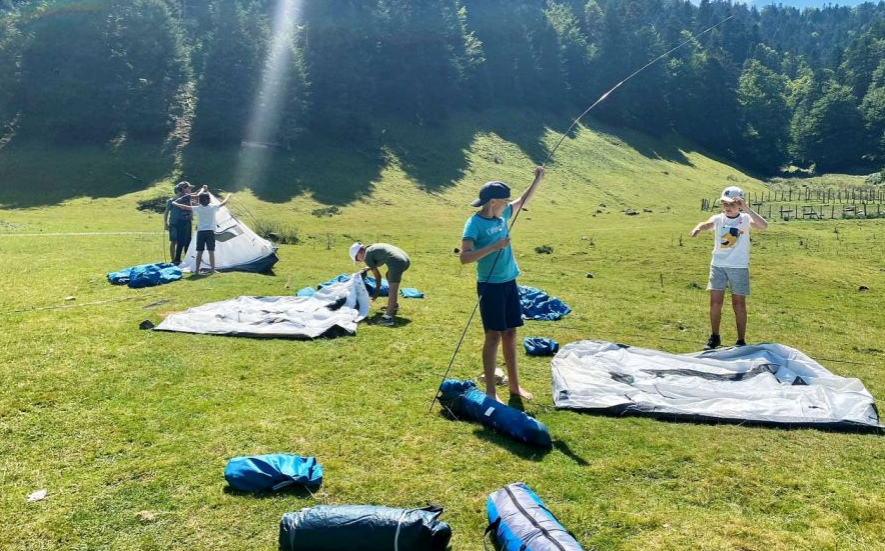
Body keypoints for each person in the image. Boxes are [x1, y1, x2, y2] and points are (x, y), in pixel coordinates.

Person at [459, 166, 545, 402]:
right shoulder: (474, 224)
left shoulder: (503, 214)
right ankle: (490, 391)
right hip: (490, 286)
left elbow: (524, 199)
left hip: (509, 282)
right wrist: (493, 247)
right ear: (493, 202)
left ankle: (515, 387)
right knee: (493, 337)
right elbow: (464, 258)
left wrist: (537, 178)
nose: (509, 204)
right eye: (505, 201)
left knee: (510, 334)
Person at [690, 186, 768, 349]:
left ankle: (741, 341)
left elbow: (763, 225)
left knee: (738, 304)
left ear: (740, 204)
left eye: (732, 204)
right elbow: (706, 224)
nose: (727, 207)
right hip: (718, 265)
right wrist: (698, 228)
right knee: (715, 303)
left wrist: (746, 208)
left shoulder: (745, 219)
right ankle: (715, 337)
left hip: (738, 267)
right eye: (724, 203)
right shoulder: (718, 218)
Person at [173, 186, 231, 275]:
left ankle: (197, 271)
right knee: (211, 251)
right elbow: (223, 203)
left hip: (201, 233)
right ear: (209, 200)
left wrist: (175, 203)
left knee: (199, 252)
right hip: (210, 232)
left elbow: (185, 207)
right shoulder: (212, 208)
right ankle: (212, 270)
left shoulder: (198, 208)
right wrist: (228, 196)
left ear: (199, 200)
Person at [349, 242, 411, 327]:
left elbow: (378, 276)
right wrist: (368, 268)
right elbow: (381, 258)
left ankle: (388, 318)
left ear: (359, 252)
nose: (359, 261)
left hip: (396, 262)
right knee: (388, 275)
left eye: (357, 259)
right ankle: (394, 305)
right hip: (406, 259)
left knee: (393, 289)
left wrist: (376, 292)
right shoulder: (372, 248)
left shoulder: (367, 256)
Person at [163, 181, 194, 264]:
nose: (190, 190)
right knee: (174, 241)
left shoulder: (187, 199)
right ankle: (173, 260)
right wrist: (165, 223)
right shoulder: (172, 200)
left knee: (185, 241)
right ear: (182, 189)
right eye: (188, 188)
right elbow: (166, 212)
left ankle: (185, 259)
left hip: (184, 223)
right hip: (174, 224)